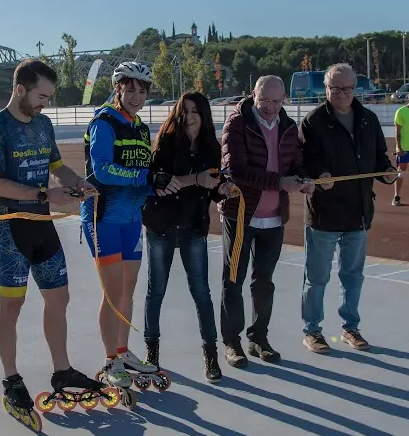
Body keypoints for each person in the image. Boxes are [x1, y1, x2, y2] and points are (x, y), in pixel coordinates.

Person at [0, 58, 103, 417]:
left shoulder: (44, 125)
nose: (45, 103)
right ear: (20, 89)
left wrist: (76, 182)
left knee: (59, 299)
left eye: (49, 97)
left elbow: (56, 167)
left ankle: (62, 370)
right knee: (12, 307)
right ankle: (12, 379)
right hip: (9, 227)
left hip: (42, 225)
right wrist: (47, 196)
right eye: (42, 96)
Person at [299, 63, 398, 354]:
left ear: (356, 89)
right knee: (316, 278)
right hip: (324, 213)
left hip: (358, 212)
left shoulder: (368, 119)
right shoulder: (313, 121)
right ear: (325, 89)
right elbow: (304, 160)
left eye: (348, 89)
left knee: (353, 276)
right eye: (335, 89)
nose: (342, 94)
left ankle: (350, 328)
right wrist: (320, 174)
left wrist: (387, 172)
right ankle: (312, 330)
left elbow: (379, 157)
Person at [218, 75, 312, 369]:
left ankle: (258, 337)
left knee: (264, 282)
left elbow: (297, 161)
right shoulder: (237, 123)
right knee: (233, 280)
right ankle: (232, 343)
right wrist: (281, 182)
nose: (270, 107)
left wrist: (306, 177)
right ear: (253, 95)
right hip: (240, 215)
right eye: (264, 101)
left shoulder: (288, 126)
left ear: (284, 99)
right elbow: (236, 170)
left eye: (276, 101)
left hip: (274, 219)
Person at [141, 92, 233, 383]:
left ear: (204, 115)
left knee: (202, 293)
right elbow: (161, 183)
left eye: (196, 111)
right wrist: (198, 178)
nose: (190, 116)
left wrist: (222, 188)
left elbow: (212, 188)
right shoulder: (166, 144)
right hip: (161, 227)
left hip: (194, 228)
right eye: (185, 110)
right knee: (156, 291)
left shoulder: (211, 148)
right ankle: (151, 356)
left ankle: (211, 356)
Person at [81, 62, 160, 390]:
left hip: (131, 220)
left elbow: (145, 174)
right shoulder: (105, 121)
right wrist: (145, 177)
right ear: (118, 89)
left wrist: (158, 181)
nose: (137, 96)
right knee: (112, 292)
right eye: (130, 90)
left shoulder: (141, 128)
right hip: (103, 218)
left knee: (128, 289)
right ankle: (110, 358)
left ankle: (123, 350)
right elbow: (102, 170)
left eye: (142, 91)